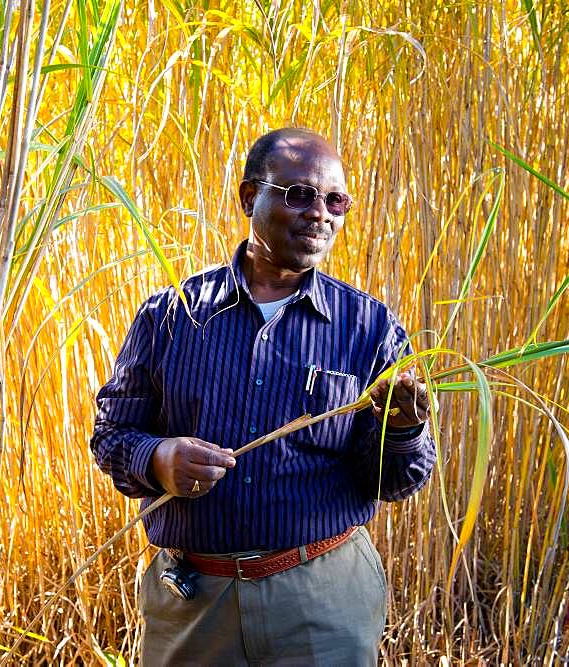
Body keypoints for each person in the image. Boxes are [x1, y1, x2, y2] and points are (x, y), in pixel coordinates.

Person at [90, 127, 436, 666]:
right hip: (195, 605)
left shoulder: (369, 328)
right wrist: (159, 460)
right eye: (300, 194)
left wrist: (403, 432)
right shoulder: (171, 316)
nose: (319, 213)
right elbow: (111, 434)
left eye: (335, 200)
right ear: (251, 196)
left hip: (321, 604)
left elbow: (395, 480)